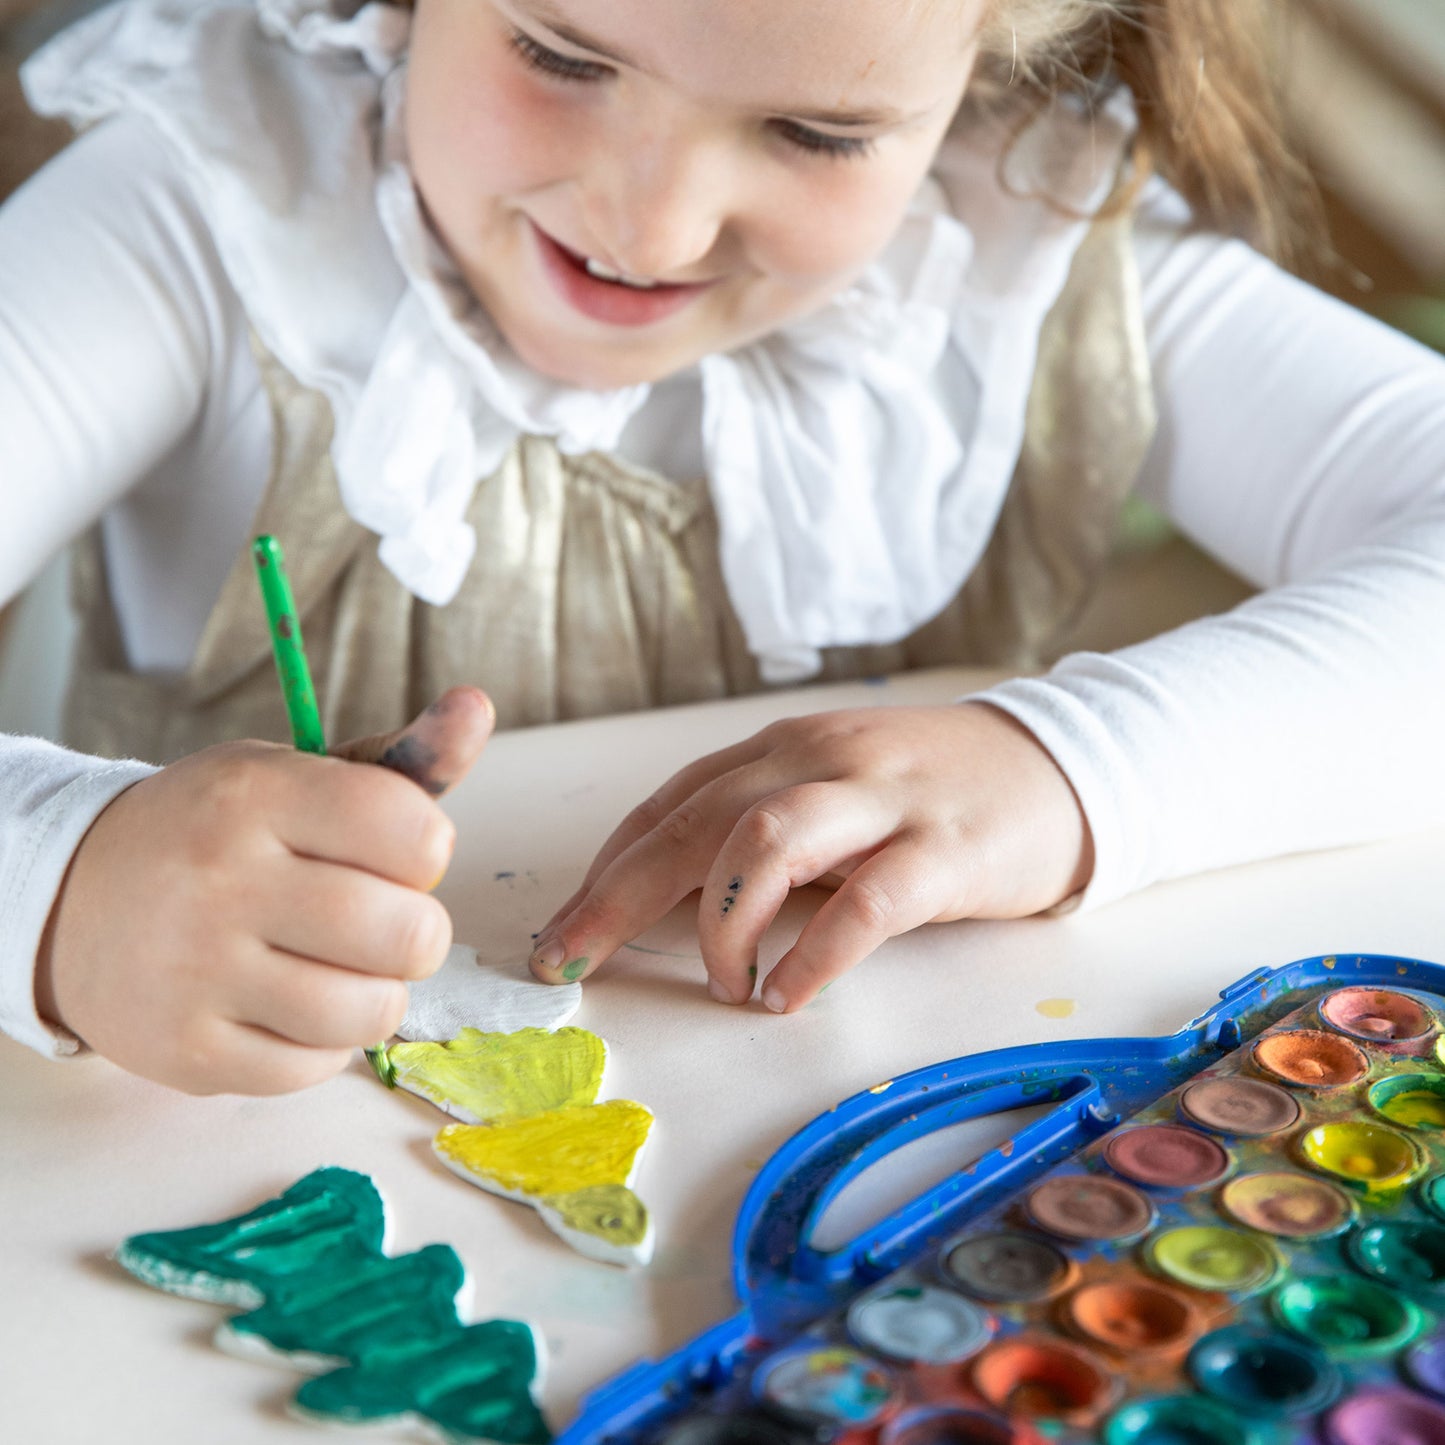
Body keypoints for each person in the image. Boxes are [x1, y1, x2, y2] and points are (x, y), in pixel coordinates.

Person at [2, 0, 1442, 1095]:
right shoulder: (210, 209)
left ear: (986, 64)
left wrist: (1077, 764)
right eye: (563, 56)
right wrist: (62, 883)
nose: (652, 220)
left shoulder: (1023, 233)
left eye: (819, 133)